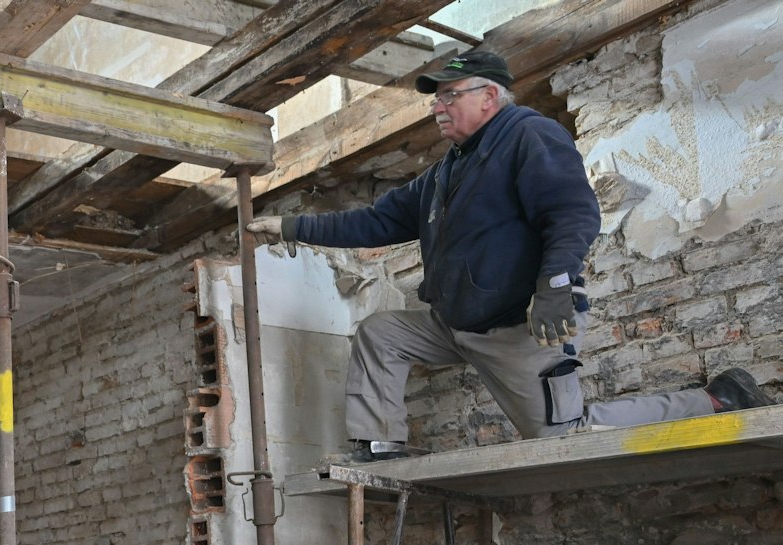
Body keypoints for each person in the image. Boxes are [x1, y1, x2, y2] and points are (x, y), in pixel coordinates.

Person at [246, 49, 774, 462]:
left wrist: (557, 286)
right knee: (381, 334)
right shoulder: (445, 173)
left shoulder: (528, 136)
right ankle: (381, 442)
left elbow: (572, 213)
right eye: (435, 98)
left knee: (563, 438)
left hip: (522, 326)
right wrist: (289, 227)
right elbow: (374, 221)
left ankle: (716, 401)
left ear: (490, 96)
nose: (437, 107)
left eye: (449, 95)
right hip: (457, 324)